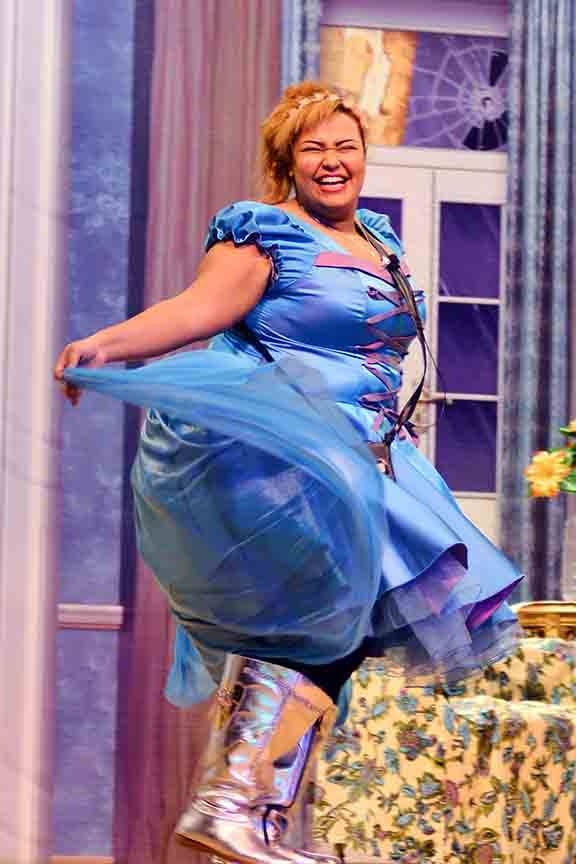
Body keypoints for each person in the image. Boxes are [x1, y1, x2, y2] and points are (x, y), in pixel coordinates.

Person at [54, 82, 522, 864]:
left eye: (346, 146)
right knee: (317, 618)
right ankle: (231, 802)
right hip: (294, 448)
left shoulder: (379, 240)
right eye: (314, 148)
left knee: (347, 630)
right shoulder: (266, 233)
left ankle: (252, 812)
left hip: (371, 451)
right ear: (288, 162)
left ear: (364, 155)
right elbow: (199, 307)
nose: (333, 161)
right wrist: (110, 343)